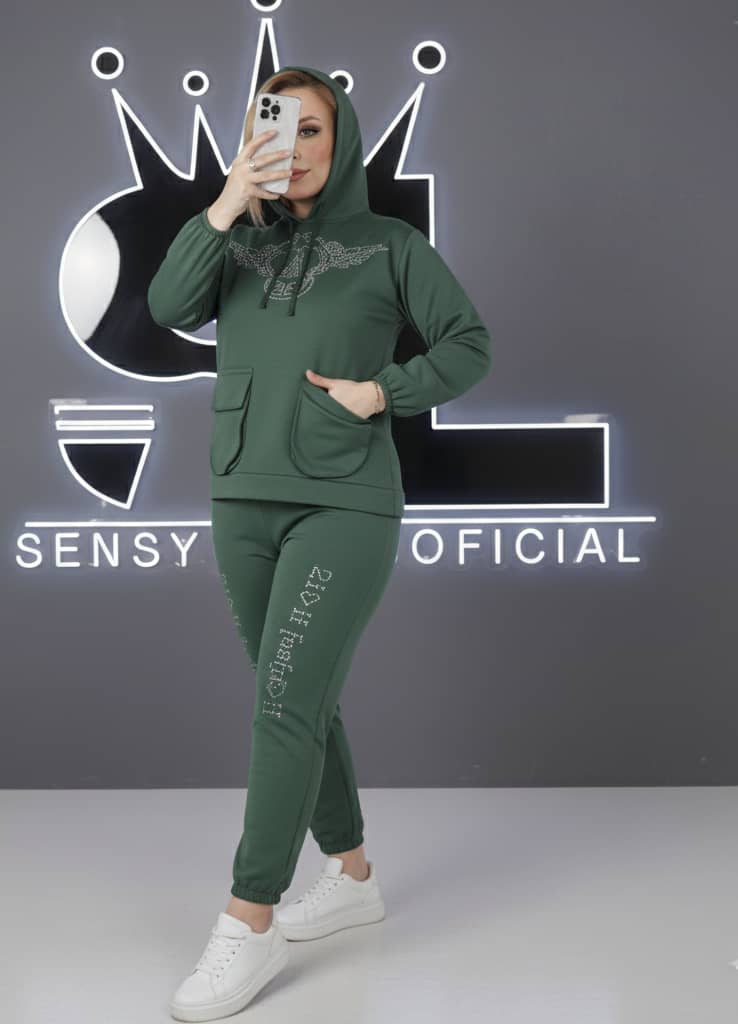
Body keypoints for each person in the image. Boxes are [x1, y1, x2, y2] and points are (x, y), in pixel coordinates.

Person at [147, 64, 492, 1021]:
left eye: (311, 132)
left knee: (283, 704)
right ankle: (352, 875)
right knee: (295, 696)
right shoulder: (235, 242)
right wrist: (226, 203)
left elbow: (468, 342)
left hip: (343, 501)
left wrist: (385, 391)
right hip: (240, 496)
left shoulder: (390, 244)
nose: (292, 149)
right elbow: (168, 307)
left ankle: (247, 919)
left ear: (339, 147)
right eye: (276, 128)